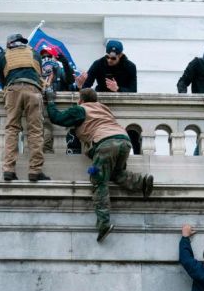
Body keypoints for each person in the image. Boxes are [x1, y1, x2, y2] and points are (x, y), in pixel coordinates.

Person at [45, 88, 155, 240]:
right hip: (124, 141)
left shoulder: (81, 109)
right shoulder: (104, 109)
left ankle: (103, 223)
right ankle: (142, 183)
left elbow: (57, 118)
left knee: (99, 181)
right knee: (115, 173)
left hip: (105, 144)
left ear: (81, 100)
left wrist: (50, 101)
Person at [0, 33, 47, 182]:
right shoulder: (34, 53)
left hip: (13, 90)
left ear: (9, 44)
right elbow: (39, 74)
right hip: (33, 90)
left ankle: (8, 170)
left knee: (12, 129)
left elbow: (2, 80)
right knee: (35, 131)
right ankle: (35, 171)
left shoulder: (3, 56)